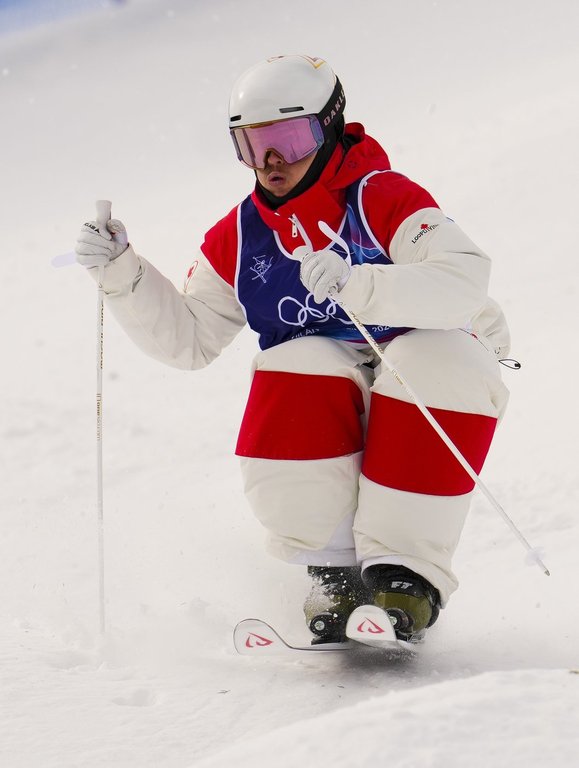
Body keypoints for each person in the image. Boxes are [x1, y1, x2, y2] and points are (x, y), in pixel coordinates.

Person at [75, 54, 510, 644]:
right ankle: (333, 572)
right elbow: (189, 341)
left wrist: (361, 285)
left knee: (425, 364)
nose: (272, 162)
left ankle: (405, 580)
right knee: (294, 364)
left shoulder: (381, 195)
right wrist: (123, 276)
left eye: (287, 137)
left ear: (329, 127)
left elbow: (462, 281)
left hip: (436, 350)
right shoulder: (240, 236)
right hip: (338, 371)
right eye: (252, 146)